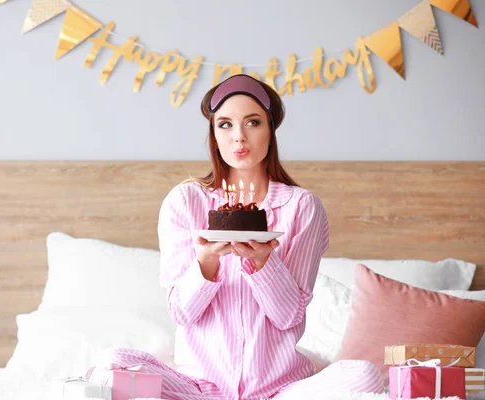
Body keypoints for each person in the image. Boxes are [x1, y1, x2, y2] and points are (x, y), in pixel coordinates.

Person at [101, 74, 384, 399]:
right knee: (115, 364)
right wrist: (206, 263)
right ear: (213, 134)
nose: (239, 137)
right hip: (200, 390)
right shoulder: (185, 202)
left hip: (280, 391)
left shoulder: (302, 207)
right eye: (225, 124)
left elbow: (289, 316)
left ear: (270, 129)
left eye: (252, 122)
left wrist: (264, 262)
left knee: (363, 376)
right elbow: (181, 313)